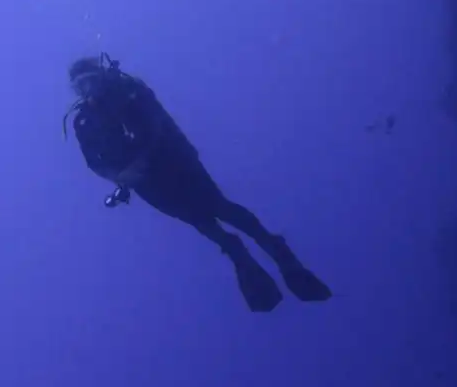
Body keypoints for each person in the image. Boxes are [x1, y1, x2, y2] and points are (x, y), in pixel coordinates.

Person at [64, 54, 332, 313]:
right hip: (145, 182)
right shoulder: (84, 120)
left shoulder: (127, 89)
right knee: (199, 221)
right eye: (79, 86)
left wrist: (139, 161)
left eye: (89, 80)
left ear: (100, 76)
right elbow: (93, 160)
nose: (86, 89)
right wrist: (119, 176)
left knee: (219, 207)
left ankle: (275, 249)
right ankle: (238, 255)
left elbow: (155, 122)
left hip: (176, 161)